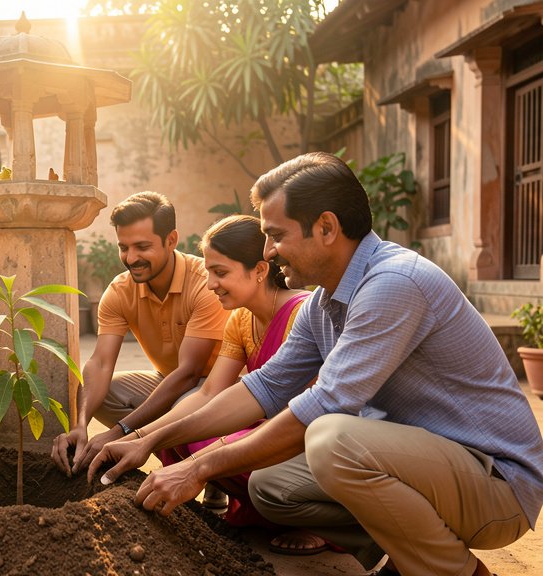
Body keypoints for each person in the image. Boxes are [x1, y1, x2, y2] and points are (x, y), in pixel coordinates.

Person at [106, 152, 543, 576]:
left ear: (327, 227)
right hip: (439, 471)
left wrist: (198, 467)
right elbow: (265, 387)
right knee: (271, 487)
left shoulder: (392, 283)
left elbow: (323, 405)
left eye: (277, 235)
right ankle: (404, 557)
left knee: (332, 438)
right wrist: (147, 438)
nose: (270, 252)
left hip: (498, 487)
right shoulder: (324, 302)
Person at [85, 215, 329, 554]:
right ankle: (257, 510)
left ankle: (316, 524)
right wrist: (141, 438)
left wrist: (192, 467)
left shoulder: (302, 314)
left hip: (304, 437)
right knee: (186, 437)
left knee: (217, 454)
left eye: (221, 273)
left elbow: (299, 416)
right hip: (267, 422)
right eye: (209, 272)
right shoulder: (242, 317)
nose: (210, 283)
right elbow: (208, 392)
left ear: (260, 270)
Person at [51, 191, 231, 480]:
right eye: (124, 247)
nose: (131, 258)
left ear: (171, 240)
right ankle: (161, 449)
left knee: (185, 403)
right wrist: (80, 424)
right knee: (104, 391)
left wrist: (120, 432)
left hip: (214, 389)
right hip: (167, 382)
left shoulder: (204, 283)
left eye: (142, 246)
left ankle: (207, 477)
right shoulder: (121, 290)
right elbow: (99, 363)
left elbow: (189, 372)